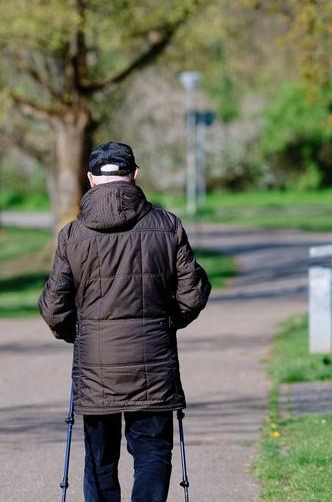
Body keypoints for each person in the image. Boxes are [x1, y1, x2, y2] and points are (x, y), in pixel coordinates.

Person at [39, 141, 212, 502]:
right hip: (154, 362)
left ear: (90, 179)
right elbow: (193, 292)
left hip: (95, 366)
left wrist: (79, 333)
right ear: (134, 175)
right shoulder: (167, 226)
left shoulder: (72, 236)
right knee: (152, 453)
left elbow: (54, 308)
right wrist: (165, 324)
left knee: (100, 459)